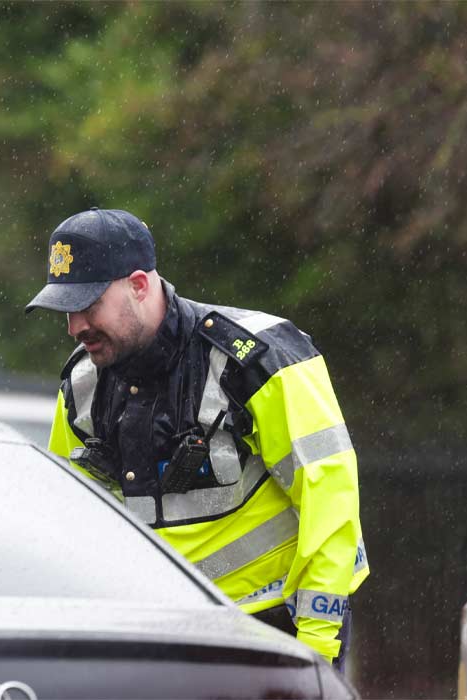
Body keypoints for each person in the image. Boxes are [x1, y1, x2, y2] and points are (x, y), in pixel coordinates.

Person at [25, 208, 369, 669]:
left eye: (88, 306)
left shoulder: (261, 358)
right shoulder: (81, 385)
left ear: (139, 285)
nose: (75, 327)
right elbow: (67, 527)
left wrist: (316, 646)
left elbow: (330, 503)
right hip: (153, 640)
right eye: (67, 311)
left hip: (272, 633)